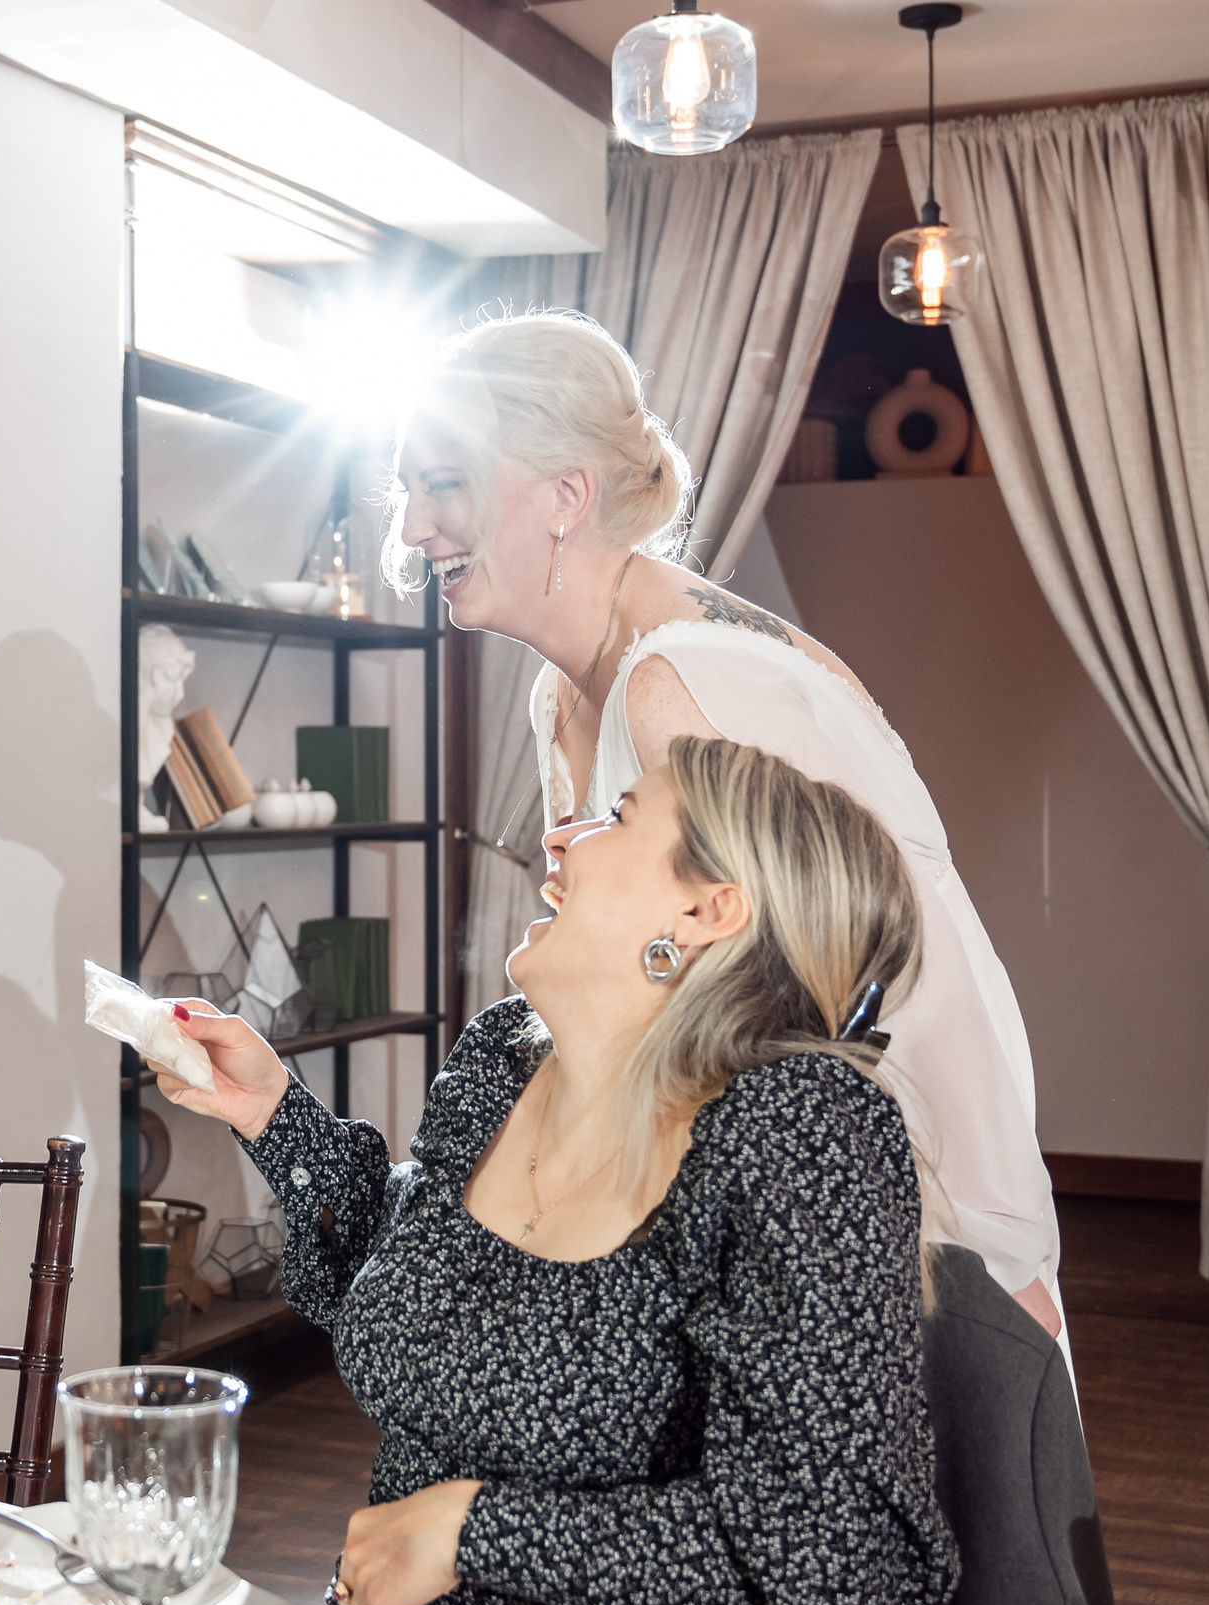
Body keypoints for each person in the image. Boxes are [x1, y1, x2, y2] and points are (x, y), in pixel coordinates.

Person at [155, 737, 958, 1605]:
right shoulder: (505, 1057)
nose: (560, 838)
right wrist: (275, 1116)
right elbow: (420, 1297)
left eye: (617, 816)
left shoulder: (796, 1133)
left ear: (706, 910)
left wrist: (475, 1530)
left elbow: (838, 1569)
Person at [390, 309, 1062, 1339]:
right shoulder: (558, 692)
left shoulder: (682, 683)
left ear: (567, 493)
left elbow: (835, 1007)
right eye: (405, 489)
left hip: (884, 1197)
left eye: (443, 483)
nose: (411, 528)